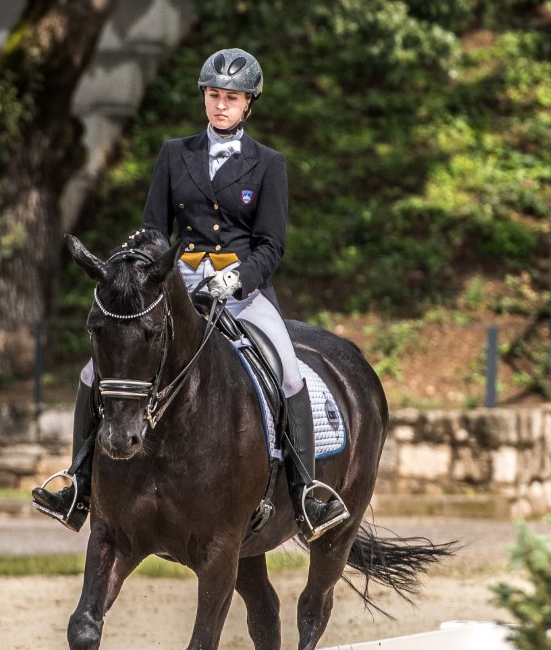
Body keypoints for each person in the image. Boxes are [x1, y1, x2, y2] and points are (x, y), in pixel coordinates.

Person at [32, 47, 351, 542]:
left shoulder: (269, 165)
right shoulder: (174, 154)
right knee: (95, 370)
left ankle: (307, 490)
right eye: (214, 95)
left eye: (232, 98)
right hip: (176, 286)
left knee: (288, 370)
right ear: (204, 97)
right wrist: (144, 263)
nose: (221, 105)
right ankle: (77, 482)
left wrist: (238, 278)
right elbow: (154, 229)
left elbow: (272, 244)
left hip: (242, 291)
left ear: (249, 104)